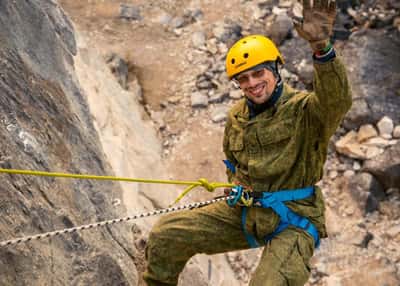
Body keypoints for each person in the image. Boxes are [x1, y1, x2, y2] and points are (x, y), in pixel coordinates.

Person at [144, 0, 351, 285]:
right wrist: (237, 186)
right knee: (167, 234)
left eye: (258, 73)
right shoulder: (237, 116)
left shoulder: (307, 112)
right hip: (246, 212)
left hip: (294, 221)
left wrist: (322, 49)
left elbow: (337, 100)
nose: (252, 83)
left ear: (276, 70)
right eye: (243, 79)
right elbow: (234, 162)